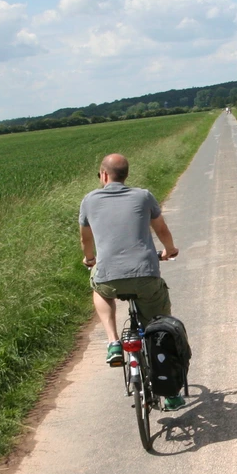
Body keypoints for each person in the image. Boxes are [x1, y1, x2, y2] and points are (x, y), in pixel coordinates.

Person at [79, 154, 184, 409]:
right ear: (126, 175)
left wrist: (90, 258)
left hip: (109, 277)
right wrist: (169, 250)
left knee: (99, 288)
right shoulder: (143, 196)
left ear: (103, 175)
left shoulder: (89, 200)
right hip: (146, 275)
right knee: (159, 330)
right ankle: (170, 394)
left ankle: (114, 342)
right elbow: (161, 230)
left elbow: (85, 239)